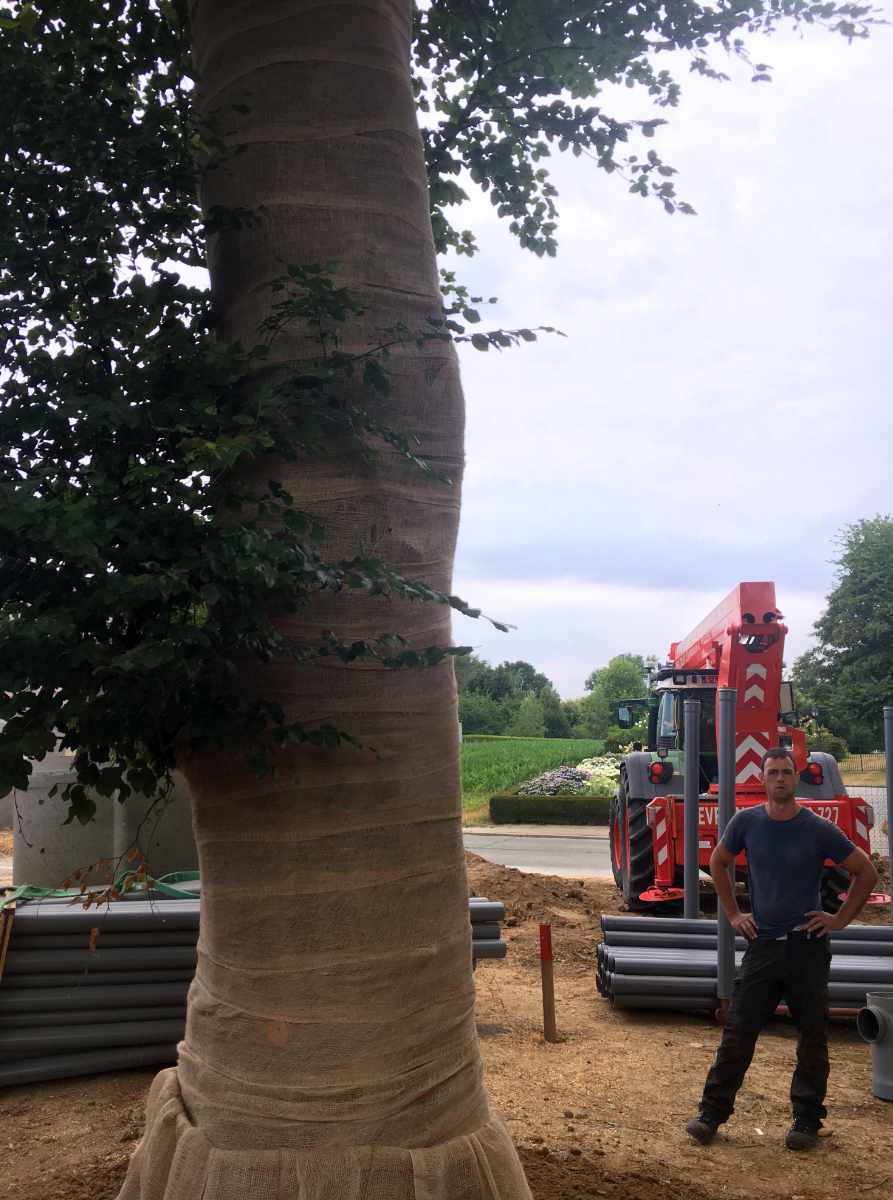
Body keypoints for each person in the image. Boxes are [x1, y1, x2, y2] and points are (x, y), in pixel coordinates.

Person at [685, 746, 878, 1151]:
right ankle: (711, 1114)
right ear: (763, 779)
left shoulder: (817, 828)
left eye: (786, 772)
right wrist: (735, 914)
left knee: (812, 1037)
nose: (779, 779)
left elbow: (865, 872)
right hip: (762, 947)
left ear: (795, 778)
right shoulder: (746, 822)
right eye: (772, 772)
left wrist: (839, 919)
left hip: (807, 948)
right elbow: (719, 863)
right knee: (738, 1034)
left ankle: (806, 1122)